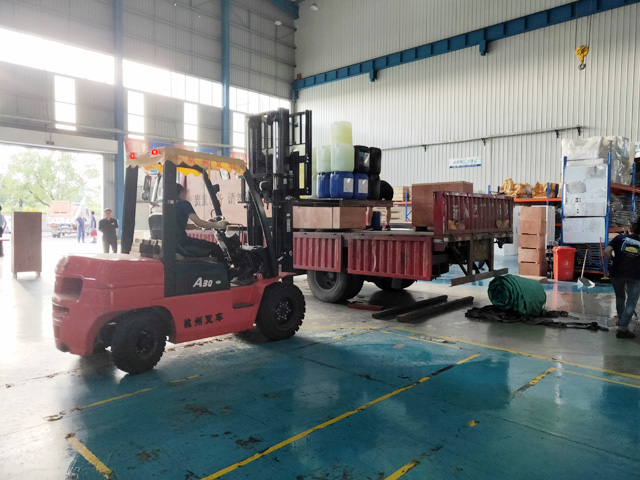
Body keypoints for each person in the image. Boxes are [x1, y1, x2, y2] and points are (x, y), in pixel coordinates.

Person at [604, 221, 640, 339]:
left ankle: (620, 320)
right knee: (631, 302)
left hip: (617, 273)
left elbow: (606, 252)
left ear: (631, 229)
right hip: (635, 275)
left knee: (620, 297)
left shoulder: (619, 238)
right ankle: (623, 329)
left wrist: (614, 260)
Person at [176, 184, 227, 259]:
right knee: (215, 247)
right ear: (182, 192)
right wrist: (218, 225)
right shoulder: (183, 204)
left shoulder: (168, 206)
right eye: (184, 192)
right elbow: (199, 223)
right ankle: (224, 266)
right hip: (184, 242)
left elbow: (184, 226)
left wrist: (207, 224)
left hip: (176, 244)